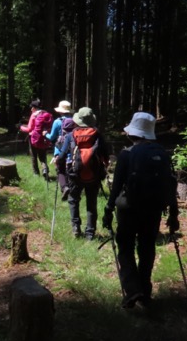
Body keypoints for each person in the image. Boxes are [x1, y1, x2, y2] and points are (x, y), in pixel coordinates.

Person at [102, 112, 179, 309]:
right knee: (147, 248)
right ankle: (145, 291)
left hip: (128, 209)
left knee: (125, 246)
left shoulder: (127, 154)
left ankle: (132, 289)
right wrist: (173, 214)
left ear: (133, 133)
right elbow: (171, 185)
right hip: (153, 210)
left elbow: (117, 186)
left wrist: (109, 209)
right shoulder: (162, 154)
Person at [57, 107, 109, 240]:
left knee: (73, 200)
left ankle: (76, 228)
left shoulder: (71, 135)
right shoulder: (97, 134)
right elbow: (105, 154)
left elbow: (62, 156)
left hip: (75, 173)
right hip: (94, 174)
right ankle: (90, 233)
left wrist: (60, 168)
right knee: (91, 203)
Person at [46, 100, 74, 200]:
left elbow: (52, 137)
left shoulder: (57, 121)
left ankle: (64, 187)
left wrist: (45, 134)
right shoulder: (75, 120)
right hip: (72, 149)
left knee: (60, 169)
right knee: (70, 168)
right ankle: (71, 189)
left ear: (60, 111)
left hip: (60, 149)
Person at [19, 99, 52, 179]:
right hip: (44, 139)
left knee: (34, 156)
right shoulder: (47, 114)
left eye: (32, 107)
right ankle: (45, 170)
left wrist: (21, 127)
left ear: (35, 108)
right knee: (43, 156)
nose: (31, 109)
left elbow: (29, 129)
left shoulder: (34, 115)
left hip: (34, 139)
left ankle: (36, 174)